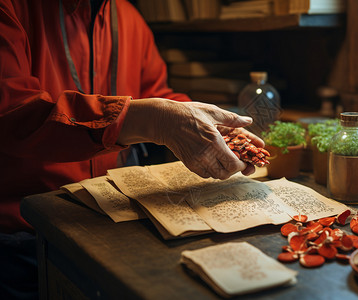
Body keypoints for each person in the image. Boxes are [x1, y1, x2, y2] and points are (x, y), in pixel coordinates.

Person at [0, 0, 263, 298]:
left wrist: (205, 124)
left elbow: (154, 93)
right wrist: (153, 119)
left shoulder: (126, 15)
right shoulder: (11, 8)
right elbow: (13, 110)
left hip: (116, 217)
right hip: (24, 232)